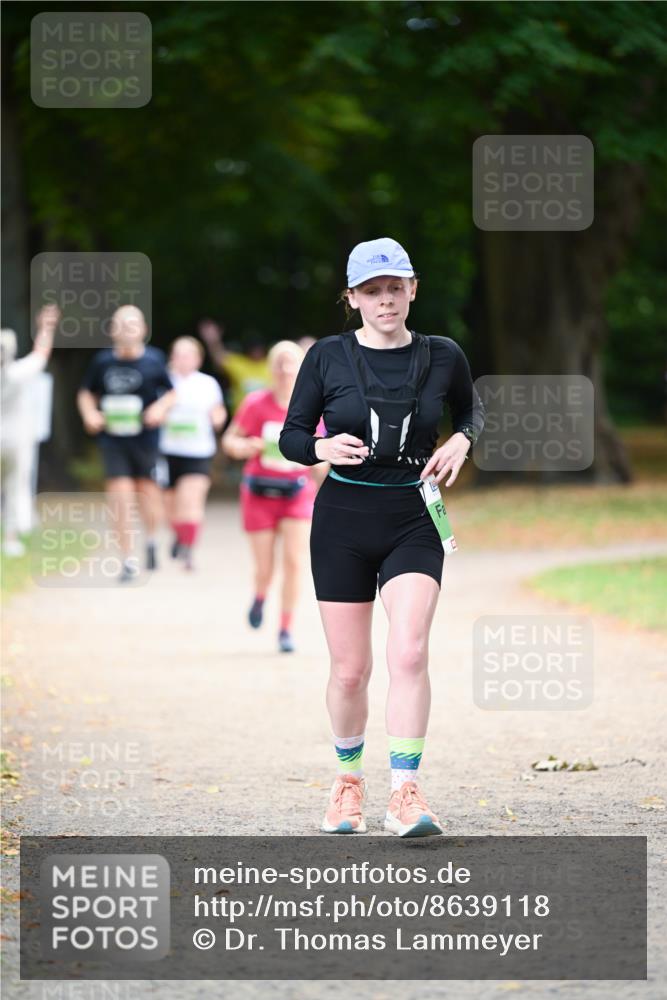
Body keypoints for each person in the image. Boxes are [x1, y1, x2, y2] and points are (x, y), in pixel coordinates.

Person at [279, 237, 485, 837]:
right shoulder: (327, 358)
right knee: (350, 670)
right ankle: (348, 783)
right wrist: (320, 447)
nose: (386, 300)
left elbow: (472, 412)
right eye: (372, 290)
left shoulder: (443, 354)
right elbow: (291, 437)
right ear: (352, 297)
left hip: (414, 516)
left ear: (413, 288)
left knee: (410, 651)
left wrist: (461, 440)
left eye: (396, 287)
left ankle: (405, 792)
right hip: (342, 517)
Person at [222, 340, 326, 653]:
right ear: (271, 368)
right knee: (265, 567)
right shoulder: (256, 403)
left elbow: (323, 452)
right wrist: (241, 447)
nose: (284, 369)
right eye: (279, 363)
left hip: (297, 493)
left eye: (290, 362)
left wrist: (324, 473)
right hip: (259, 493)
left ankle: (285, 629)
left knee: (294, 562)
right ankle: (260, 594)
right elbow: (230, 440)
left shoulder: (312, 407)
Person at [77, 305, 176, 582]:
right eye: (121, 324)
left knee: (148, 498)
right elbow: (86, 393)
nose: (127, 329)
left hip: (145, 440)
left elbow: (171, 393)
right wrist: (90, 414)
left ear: (143, 330)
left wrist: (160, 409)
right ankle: (128, 560)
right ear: (112, 330)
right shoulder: (102, 362)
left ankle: (152, 539)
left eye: (133, 324)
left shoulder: (154, 360)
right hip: (113, 440)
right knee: (120, 498)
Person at [160, 336, 227, 570]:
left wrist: (218, 418)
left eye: (187, 354)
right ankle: (179, 534)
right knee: (169, 505)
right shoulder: (163, 381)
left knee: (191, 501)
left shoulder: (207, 383)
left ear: (198, 359)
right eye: (177, 354)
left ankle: (188, 549)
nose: (182, 359)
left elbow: (218, 410)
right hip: (166, 451)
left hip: (198, 451)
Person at [1, 305, 59, 556]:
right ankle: (11, 537)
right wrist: (46, 327)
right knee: (16, 486)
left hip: (11, 439)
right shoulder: (18, 373)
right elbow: (41, 353)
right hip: (16, 441)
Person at [199, 318, 270, 413]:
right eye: (253, 348)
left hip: (266, 416)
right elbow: (219, 358)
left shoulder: (271, 364)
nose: (256, 351)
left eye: (258, 347)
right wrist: (213, 341)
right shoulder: (239, 363)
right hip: (242, 418)